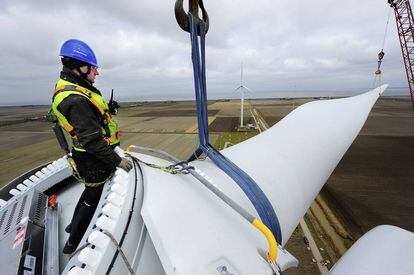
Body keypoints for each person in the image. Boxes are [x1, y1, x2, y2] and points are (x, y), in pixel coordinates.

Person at [51, 39, 133, 254]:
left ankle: (70, 227)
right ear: (78, 67)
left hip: (88, 155)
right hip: (92, 158)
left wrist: (109, 111)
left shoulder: (76, 89)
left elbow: (91, 119)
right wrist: (118, 161)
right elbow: (92, 140)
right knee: (92, 198)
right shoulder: (75, 99)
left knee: (89, 191)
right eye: (93, 68)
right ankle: (72, 244)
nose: (96, 73)